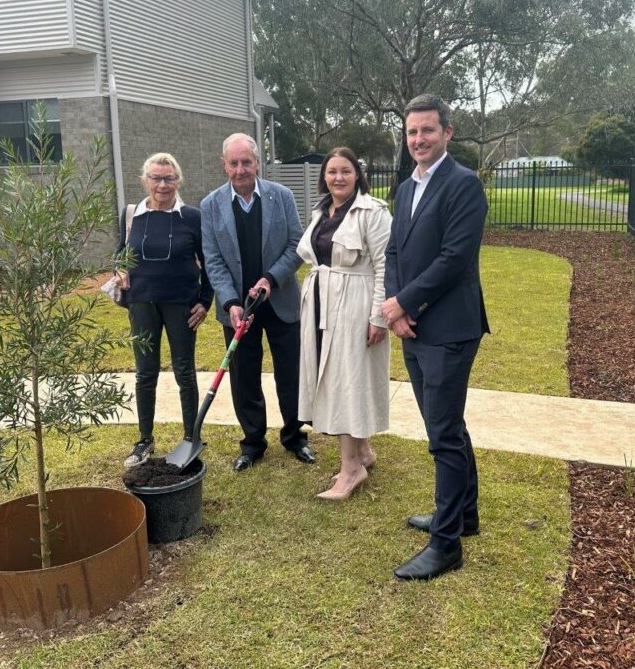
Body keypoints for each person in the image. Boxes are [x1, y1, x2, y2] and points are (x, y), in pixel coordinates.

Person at [382, 94, 489, 581]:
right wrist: (395, 306)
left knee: (443, 434)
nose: (418, 140)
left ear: (448, 132)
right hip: (413, 327)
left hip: (449, 329)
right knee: (446, 427)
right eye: (411, 132)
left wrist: (404, 303)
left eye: (427, 130)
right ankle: (463, 516)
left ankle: (445, 544)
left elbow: (454, 259)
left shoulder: (464, 185)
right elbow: (394, 254)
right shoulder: (405, 188)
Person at [200, 133, 315, 471]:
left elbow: (297, 244)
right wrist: (230, 302)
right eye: (233, 163)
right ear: (224, 165)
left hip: (280, 299)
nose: (240, 169)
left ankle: (296, 437)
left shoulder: (282, 197)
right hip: (239, 310)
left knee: (290, 374)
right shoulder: (210, 205)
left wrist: (271, 278)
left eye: (246, 162)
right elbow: (213, 260)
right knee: (244, 375)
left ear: (257, 163)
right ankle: (252, 443)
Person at [297, 147, 392, 500]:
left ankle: (351, 470)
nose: (338, 177)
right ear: (324, 175)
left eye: (346, 171)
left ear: (357, 174)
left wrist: (379, 316)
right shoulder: (322, 211)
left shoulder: (373, 211)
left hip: (355, 302)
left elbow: (386, 265)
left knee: (346, 380)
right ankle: (363, 451)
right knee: (334, 377)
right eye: (332, 171)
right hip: (322, 300)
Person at [117, 153, 213, 468]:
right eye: (156, 178)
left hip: (181, 304)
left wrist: (205, 299)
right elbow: (121, 254)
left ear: (178, 181)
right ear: (146, 180)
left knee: (185, 371)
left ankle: (190, 436)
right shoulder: (132, 214)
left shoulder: (191, 217)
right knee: (145, 373)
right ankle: (144, 440)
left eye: (169, 178)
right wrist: (119, 270)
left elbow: (208, 261)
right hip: (142, 303)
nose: (162, 184)